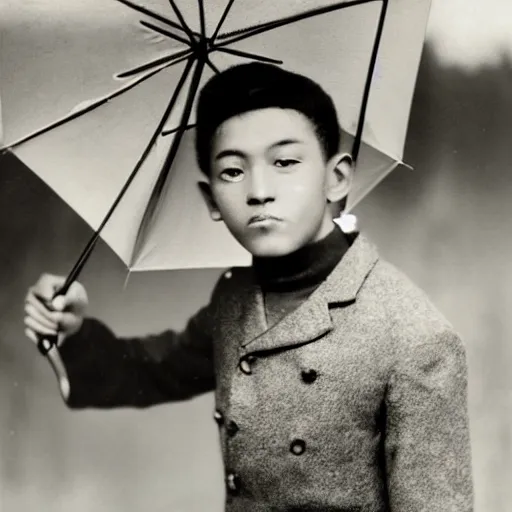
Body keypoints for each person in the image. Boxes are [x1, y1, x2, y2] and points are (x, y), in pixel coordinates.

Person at [23, 62, 474, 511]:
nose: (259, 191)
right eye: (233, 171)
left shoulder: (415, 337)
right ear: (211, 199)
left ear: (337, 178)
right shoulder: (234, 299)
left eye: (285, 162)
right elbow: (150, 373)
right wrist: (73, 329)